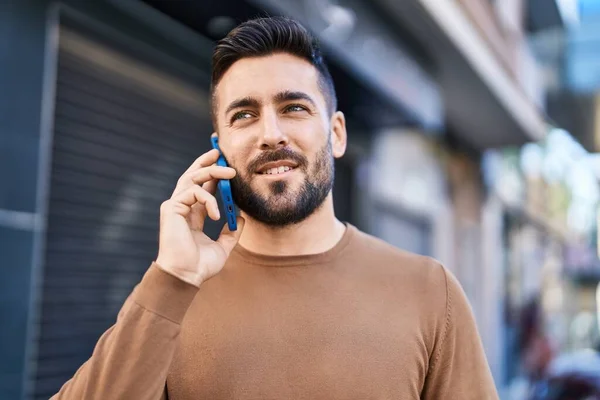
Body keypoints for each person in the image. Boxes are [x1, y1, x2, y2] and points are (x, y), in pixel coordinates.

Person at [51, 16, 498, 400]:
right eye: (244, 115)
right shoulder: (173, 294)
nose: (271, 133)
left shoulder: (430, 291)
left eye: (294, 107)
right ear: (218, 147)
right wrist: (172, 280)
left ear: (336, 134)